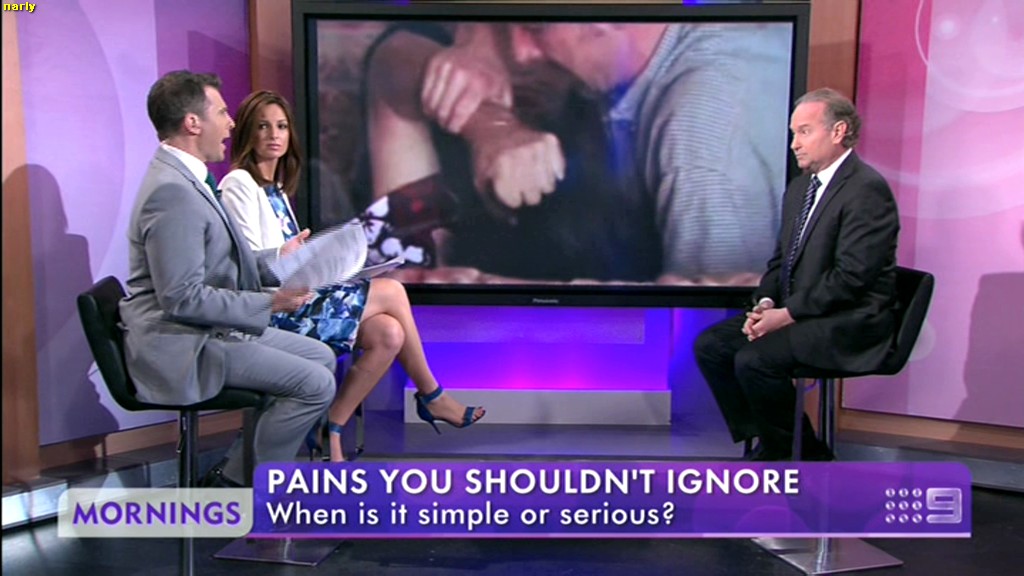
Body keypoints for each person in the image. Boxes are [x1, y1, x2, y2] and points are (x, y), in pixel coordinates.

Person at [360, 22, 790, 284]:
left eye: (537, 28)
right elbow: (395, 57)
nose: (524, 53)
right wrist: (487, 124)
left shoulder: (695, 132)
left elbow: (710, 321)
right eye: (508, 25)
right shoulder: (600, 77)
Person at [219, 90, 485, 462]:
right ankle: (432, 395)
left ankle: (332, 425)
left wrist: (324, 267)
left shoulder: (275, 190)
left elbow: (288, 262)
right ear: (248, 132)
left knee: (389, 333)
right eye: (263, 126)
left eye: (281, 126)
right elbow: (250, 266)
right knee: (392, 292)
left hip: (299, 297)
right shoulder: (238, 184)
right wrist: (296, 260)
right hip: (271, 310)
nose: (273, 135)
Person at [119, 71, 335, 487]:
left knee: (321, 357)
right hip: (184, 344)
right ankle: (256, 494)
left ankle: (234, 478)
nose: (231, 123)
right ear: (192, 123)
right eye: (221, 112)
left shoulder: (190, 178)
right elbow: (182, 298)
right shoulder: (172, 192)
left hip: (206, 331)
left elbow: (222, 263)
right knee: (315, 384)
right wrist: (271, 302)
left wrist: (279, 260)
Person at [693, 88, 901, 461]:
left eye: (804, 132)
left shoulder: (866, 190)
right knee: (713, 346)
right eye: (793, 133)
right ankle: (777, 442)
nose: (794, 144)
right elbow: (781, 262)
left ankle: (791, 454)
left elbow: (851, 278)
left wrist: (786, 315)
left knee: (755, 360)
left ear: (838, 131)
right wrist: (765, 304)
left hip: (848, 319)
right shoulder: (801, 188)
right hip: (800, 311)